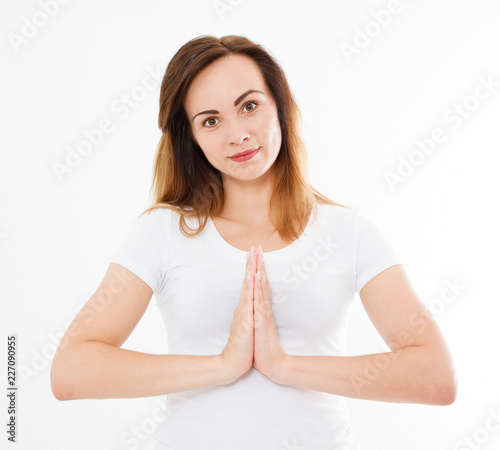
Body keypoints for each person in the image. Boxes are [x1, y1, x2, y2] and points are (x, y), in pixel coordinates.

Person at [50, 35, 457, 449]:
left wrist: (284, 365)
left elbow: (435, 376)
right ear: (190, 137)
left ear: (280, 107)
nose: (237, 134)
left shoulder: (346, 231)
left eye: (249, 106)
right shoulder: (164, 232)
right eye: (210, 120)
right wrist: (223, 365)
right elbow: (71, 371)